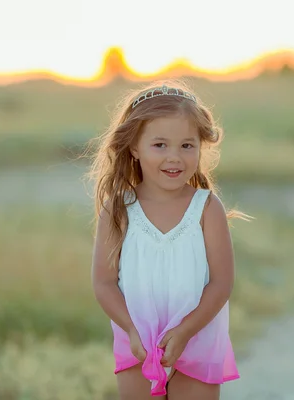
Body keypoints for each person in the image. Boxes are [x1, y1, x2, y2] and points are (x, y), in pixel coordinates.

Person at [88, 80, 245, 400]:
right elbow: (104, 283)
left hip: (197, 337)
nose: (175, 157)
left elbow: (221, 282)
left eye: (187, 146)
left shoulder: (206, 208)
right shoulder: (119, 208)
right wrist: (132, 330)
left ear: (201, 147)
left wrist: (186, 330)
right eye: (160, 145)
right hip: (139, 343)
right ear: (134, 146)